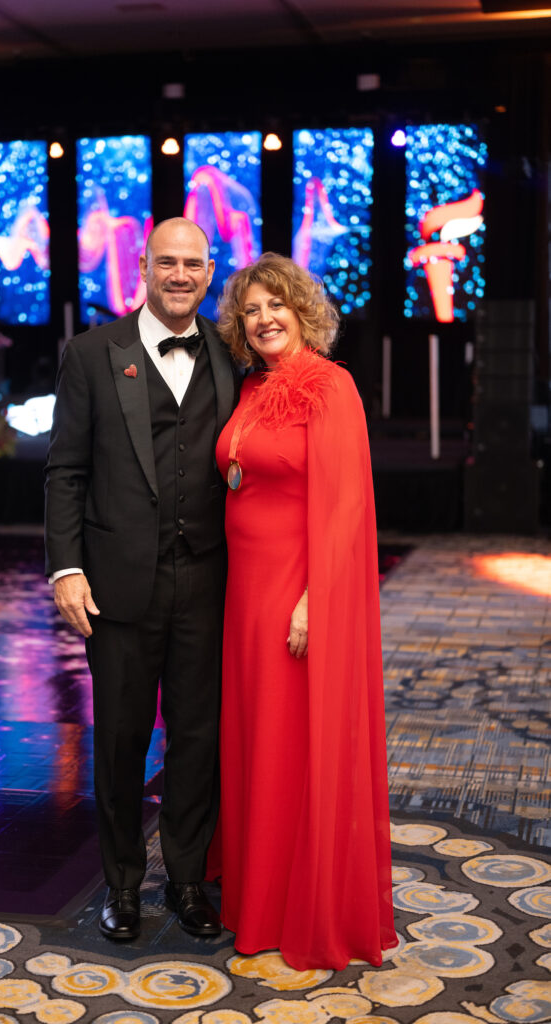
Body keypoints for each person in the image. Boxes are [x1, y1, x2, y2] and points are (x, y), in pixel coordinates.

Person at [44, 217, 238, 942]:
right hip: (117, 584)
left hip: (211, 580)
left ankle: (186, 881)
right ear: (143, 267)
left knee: (197, 738)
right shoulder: (94, 353)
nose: (180, 275)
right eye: (167, 263)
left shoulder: (229, 351)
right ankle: (122, 885)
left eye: (192, 263)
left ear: (210, 269)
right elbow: (66, 470)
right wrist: (66, 568)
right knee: (122, 741)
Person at [210, 252, 398, 970]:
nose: (262, 319)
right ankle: (259, 900)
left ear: (302, 310)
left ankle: (306, 907)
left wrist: (314, 602)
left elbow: (347, 506)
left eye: (275, 305)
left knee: (296, 744)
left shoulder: (332, 386)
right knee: (259, 743)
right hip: (244, 596)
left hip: (295, 593)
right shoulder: (254, 387)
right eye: (251, 310)